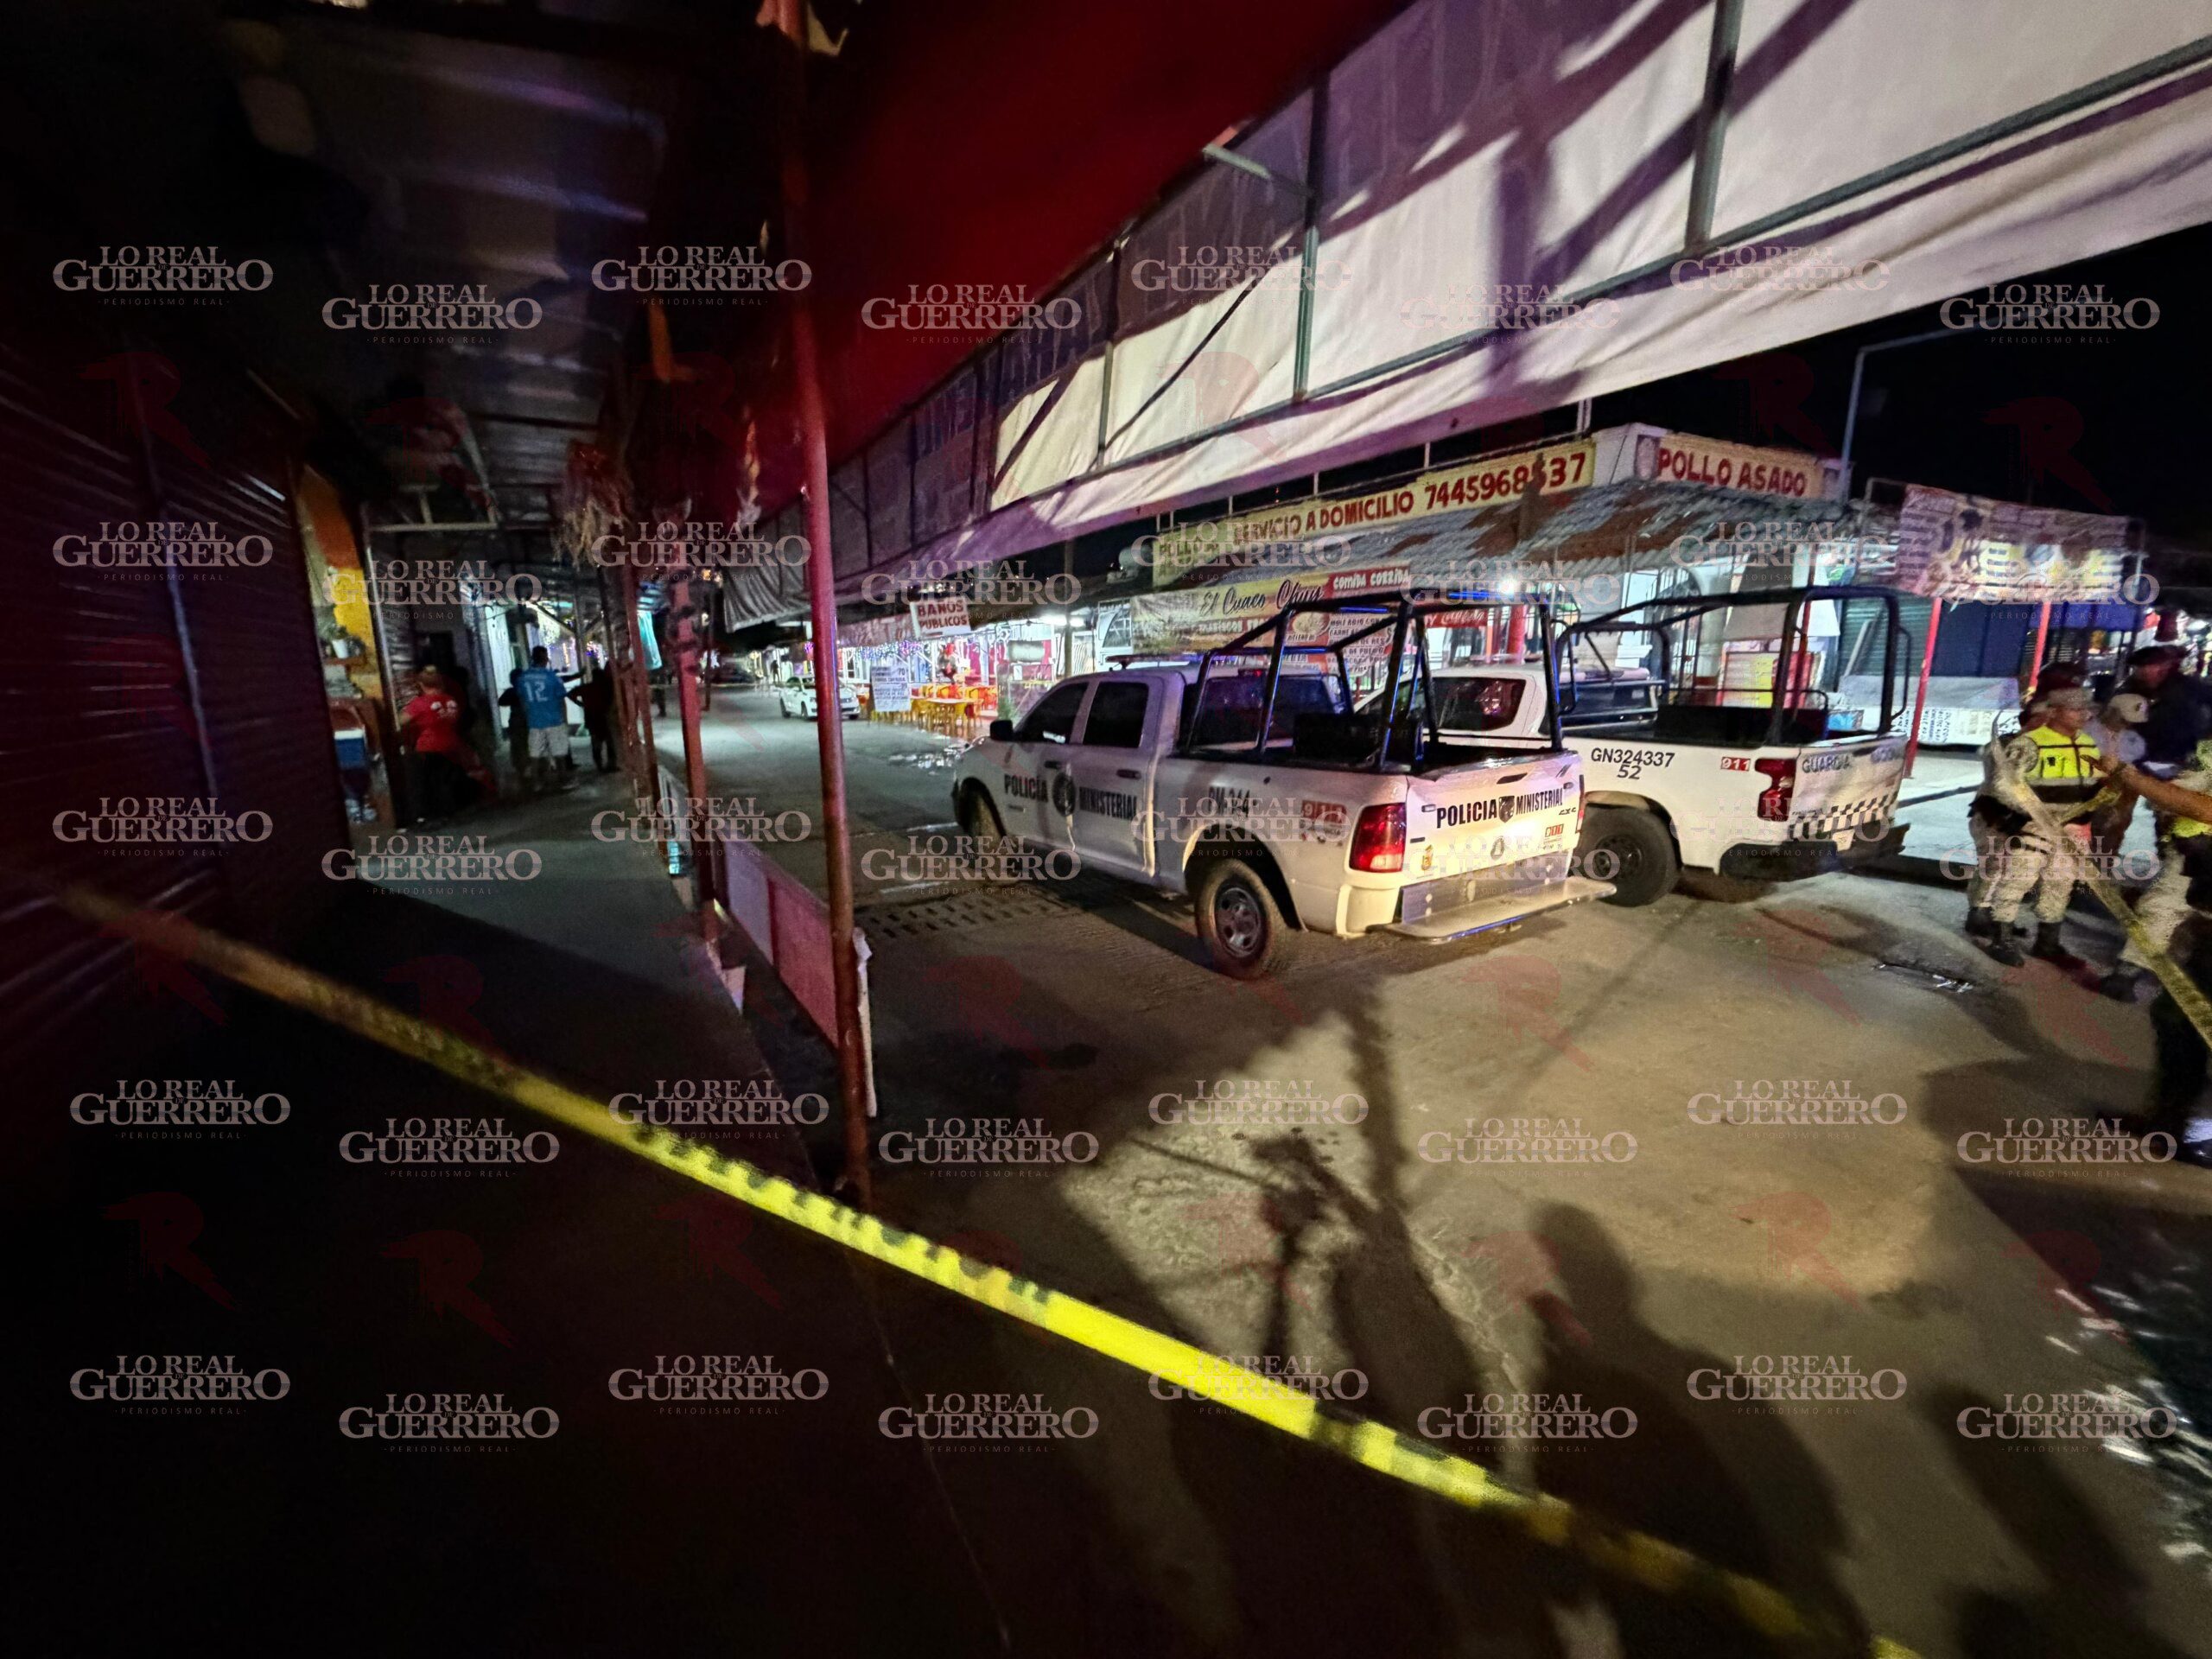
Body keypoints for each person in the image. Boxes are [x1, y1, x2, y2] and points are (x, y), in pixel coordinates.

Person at [1964, 687, 2107, 967]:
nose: (2084, 715)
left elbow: (2094, 780)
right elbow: (2004, 786)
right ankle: (2001, 938)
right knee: (2017, 879)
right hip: (2036, 826)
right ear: (2054, 712)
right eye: (2075, 709)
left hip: (2073, 827)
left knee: (2060, 882)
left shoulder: (2088, 743)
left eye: (2086, 709)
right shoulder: (2030, 744)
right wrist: (2034, 812)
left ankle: (2047, 940)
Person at [2100, 728, 2212, 1000]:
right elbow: (2186, 784)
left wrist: (2131, 776)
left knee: (2163, 908)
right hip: (2197, 849)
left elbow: (2194, 805)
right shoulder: (2207, 750)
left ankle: (2128, 973)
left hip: (2201, 853)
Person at [399, 666, 482, 820]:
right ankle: (449, 810)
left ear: (421, 685)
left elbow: (402, 721)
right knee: (446, 779)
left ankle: (430, 814)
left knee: (427, 781)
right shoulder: (450, 700)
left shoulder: (420, 703)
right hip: (450, 744)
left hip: (428, 747)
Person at [515, 645, 575, 793]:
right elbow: (561, 700)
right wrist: (565, 720)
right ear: (546, 658)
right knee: (559, 752)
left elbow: (522, 701)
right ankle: (563, 780)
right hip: (554, 719)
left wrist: (528, 716)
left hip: (534, 721)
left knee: (535, 755)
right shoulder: (552, 677)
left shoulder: (523, 678)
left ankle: (537, 784)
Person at [577, 664, 617, 773]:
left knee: (597, 743)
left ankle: (600, 766)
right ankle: (610, 764)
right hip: (604, 717)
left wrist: (581, 704)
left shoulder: (587, 688)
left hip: (591, 718)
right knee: (609, 742)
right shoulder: (606, 687)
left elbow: (571, 694)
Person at [497, 668, 531, 785]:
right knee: (526, 745)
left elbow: (501, 702)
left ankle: (522, 769)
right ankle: (528, 768)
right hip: (526, 721)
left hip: (517, 721)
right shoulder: (526, 690)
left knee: (519, 746)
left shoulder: (513, 691)